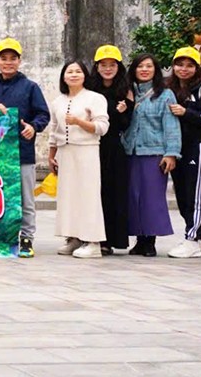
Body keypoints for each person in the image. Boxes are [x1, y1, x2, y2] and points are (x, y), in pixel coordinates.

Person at [0, 37, 50, 259]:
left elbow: (43, 114)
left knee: (25, 200)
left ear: (20, 61)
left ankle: (26, 238)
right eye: (4, 58)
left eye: (13, 58)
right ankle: (0, 237)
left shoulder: (30, 87)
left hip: (23, 153)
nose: (8, 62)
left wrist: (33, 127)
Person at [46, 60, 109, 258]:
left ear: (85, 76)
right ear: (63, 77)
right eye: (69, 72)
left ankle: (93, 241)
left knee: (88, 196)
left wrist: (79, 122)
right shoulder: (58, 101)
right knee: (68, 196)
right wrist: (51, 155)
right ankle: (73, 237)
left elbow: (102, 127)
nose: (73, 75)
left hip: (86, 150)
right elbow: (54, 129)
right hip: (65, 152)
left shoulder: (95, 98)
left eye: (78, 71)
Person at [122, 53, 180, 257]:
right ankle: (139, 239)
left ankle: (149, 241)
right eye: (140, 66)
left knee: (151, 198)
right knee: (133, 196)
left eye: (149, 66)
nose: (144, 70)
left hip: (154, 151)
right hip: (130, 151)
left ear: (156, 70)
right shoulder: (128, 92)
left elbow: (171, 125)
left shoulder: (165, 94)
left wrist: (171, 153)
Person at [165, 46, 201, 258]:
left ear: (197, 68)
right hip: (177, 147)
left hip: (197, 145)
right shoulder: (169, 88)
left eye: (189, 65)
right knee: (181, 193)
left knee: (195, 193)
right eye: (180, 64)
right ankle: (197, 237)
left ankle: (192, 238)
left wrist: (186, 112)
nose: (184, 69)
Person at [85, 45, 133, 255]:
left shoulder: (125, 90)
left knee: (114, 194)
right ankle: (90, 237)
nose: (107, 68)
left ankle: (110, 240)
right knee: (93, 193)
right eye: (103, 64)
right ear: (96, 67)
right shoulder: (89, 90)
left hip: (113, 148)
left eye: (112, 64)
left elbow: (126, 124)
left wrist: (123, 111)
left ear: (118, 67)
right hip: (91, 146)